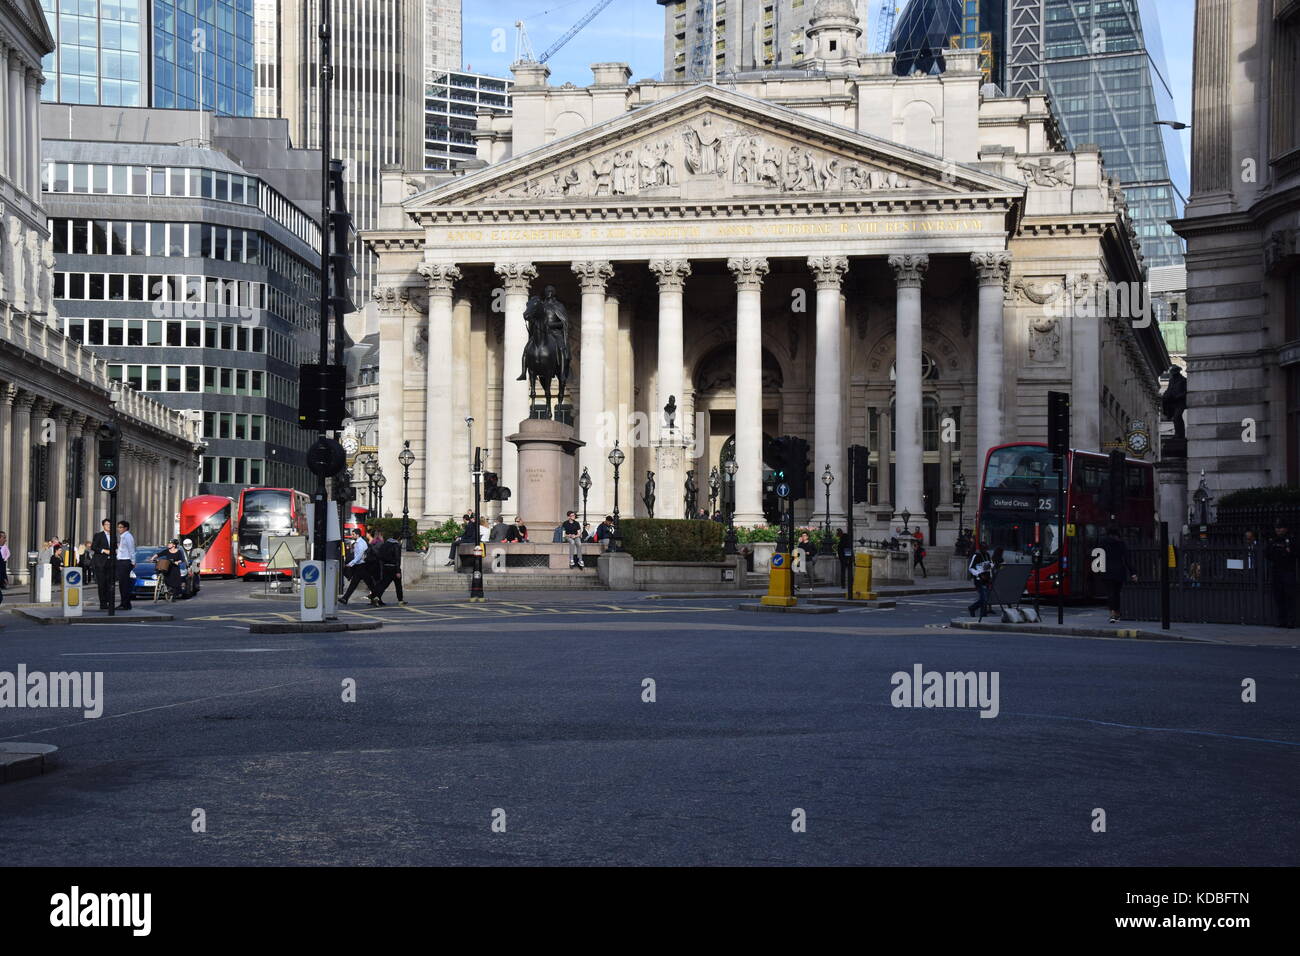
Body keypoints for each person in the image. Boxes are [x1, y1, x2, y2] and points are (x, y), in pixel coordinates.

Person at [1097, 526, 1138, 624]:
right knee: (1116, 593)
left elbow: (1098, 556)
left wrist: (1098, 569)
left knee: (1110, 593)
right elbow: (1127, 559)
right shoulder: (1121, 543)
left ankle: (1112, 614)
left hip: (1106, 571)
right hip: (1119, 571)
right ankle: (1117, 614)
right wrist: (1133, 573)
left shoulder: (1102, 543)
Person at [1264, 521, 1298, 628]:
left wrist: (1289, 553)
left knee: (1289, 596)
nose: (1278, 530)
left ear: (1286, 529)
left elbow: (1296, 553)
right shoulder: (1273, 541)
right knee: (1279, 596)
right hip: (1277, 570)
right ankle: (1281, 620)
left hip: (1288, 571)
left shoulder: (1291, 540)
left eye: (1281, 528)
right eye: (1277, 528)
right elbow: (1267, 553)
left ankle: (1291, 621)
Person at [340, 530, 375, 605]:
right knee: (357, 583)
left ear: (357, 535)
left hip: (362, 566)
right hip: (359, 566)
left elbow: (359, 555)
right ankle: (345, 598)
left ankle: (345, 598)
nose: (352, 536)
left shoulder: (361, 543)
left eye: (353, 534)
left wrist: (351, 563)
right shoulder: (358, 542)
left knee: (369, 584)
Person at [91, 519, 115, 609]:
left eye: (110, 524)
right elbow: (94, 547)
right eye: (107, 524)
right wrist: (104, 551)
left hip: (110, 562)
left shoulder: (113, 536)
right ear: (103, 525)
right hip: (100, 562)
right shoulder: (98, 535)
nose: (108, 526)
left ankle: (109, 601)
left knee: (109, 583)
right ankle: (103, 603)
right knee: (102, 583)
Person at [967, 546, 994, 618]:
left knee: (985, 599)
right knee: (983, 598)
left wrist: (990, 568)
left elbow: (991, 564)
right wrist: (979, 574)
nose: (985, 550)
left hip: (987, 579)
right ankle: (973, 608)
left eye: (986, 549)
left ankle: (983, 615)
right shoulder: (976, 555)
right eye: (984, 549)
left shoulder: (987, 555)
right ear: (981, 549)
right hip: (979, 580)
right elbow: (971, 568)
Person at [115, 520, 136, 611]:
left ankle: (125, 604)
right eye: (118, 527)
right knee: (122, 584)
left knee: (124, 584)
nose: (118, 529)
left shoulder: (128, 536)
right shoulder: (123, 537)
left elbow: (132, 550)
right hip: (121, 561)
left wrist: (133, 561)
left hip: (125, 562)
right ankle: (125, 603)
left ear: (125, 528)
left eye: (120, 527)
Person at [0, 531, 9, 605]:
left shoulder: (4, 547)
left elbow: (2, 568)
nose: (5, 540)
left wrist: (4, 578)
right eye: (4, 538)